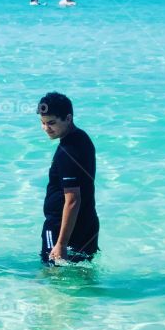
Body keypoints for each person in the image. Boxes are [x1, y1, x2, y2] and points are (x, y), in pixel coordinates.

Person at [38, 92, 99, 265]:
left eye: (52, 123)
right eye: (42, 123)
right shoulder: (82, 138)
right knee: (84, 276)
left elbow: (72, 200)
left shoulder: (68, 151)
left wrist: (61, 244)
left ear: (68, 118)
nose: (46, 128)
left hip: (61, 228)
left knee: (51, 274)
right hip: (87, 224)